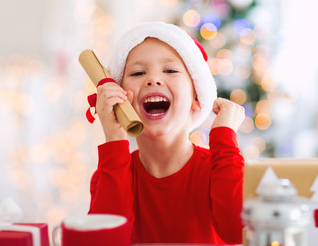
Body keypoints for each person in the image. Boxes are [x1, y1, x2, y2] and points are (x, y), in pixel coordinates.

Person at [88, 22, 245, 244]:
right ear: (123, 98)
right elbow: (102, 242)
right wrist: (114, 139)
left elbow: (238, 232)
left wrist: (224, 138)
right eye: (138, 72)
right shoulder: (109, 174)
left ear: (197, 97)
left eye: (170, 70)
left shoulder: (220, 169)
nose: (153, 79)